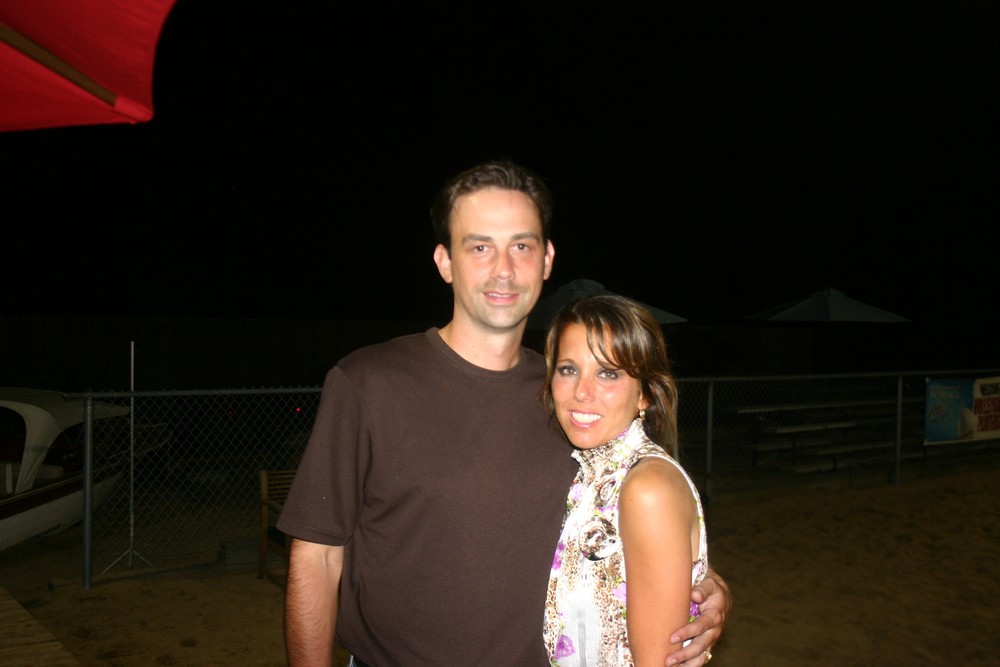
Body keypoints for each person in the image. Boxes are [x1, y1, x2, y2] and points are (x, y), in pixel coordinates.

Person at [276, 159, 731, 666]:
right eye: (479, 247)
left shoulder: (570, 397)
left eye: (521, 246)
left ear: (547, 259)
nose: (504, 270)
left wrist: (699, 583)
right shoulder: (368, 383)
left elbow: (626, 517)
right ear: (445, 262)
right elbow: (316, 556)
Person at [541, 295, 709, 666]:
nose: (581, 392)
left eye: (608, 373)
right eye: (568, 369)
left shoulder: (647, 489)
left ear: (645, 394)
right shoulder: (588, 475)